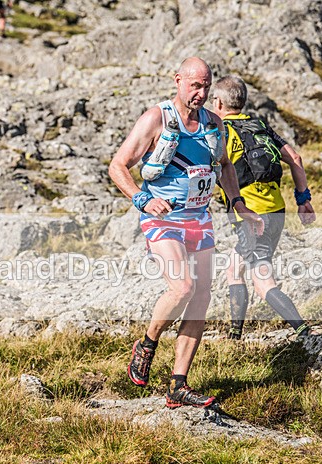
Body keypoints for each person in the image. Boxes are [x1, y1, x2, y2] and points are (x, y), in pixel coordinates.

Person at [109, 57, 264, 409]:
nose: (201, 93)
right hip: (163, 218)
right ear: (178, 81)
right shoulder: (157, 118)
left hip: (199, 219)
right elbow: (117, 166)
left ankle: (178, 385)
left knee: (201, 299)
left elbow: (224, 165)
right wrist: (142, 198)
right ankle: (147, 344)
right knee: (182, 287)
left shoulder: (214, 122)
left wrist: (238, 203)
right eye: (194, 85)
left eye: (206, 86)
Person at [210, 75, 316, 340]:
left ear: (218, 103)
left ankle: (304, 332)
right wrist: (303, 201)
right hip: (276, 210)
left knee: (262, 279)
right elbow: (295, 158)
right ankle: (235, 336)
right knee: (235, 268)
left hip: (250, 215)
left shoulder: (222, 129)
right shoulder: (259, 126)